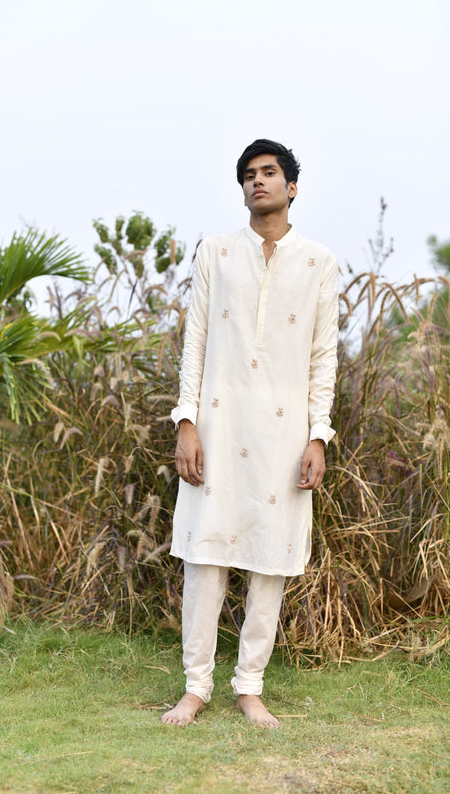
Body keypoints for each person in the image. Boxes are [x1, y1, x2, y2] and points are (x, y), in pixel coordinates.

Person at [161, 139, 339, 728]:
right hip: (219, 421)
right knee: (205, 558)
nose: (256, 182)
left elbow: (323, 359)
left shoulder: (319, 263)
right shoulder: (215, 253)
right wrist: (186, 421)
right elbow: (195, 345)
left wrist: (319, 436)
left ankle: (250, 686)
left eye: (268, 173)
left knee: (271, 557)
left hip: (286, 432)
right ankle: (195, 687)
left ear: (292, 187)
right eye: (247, 175)